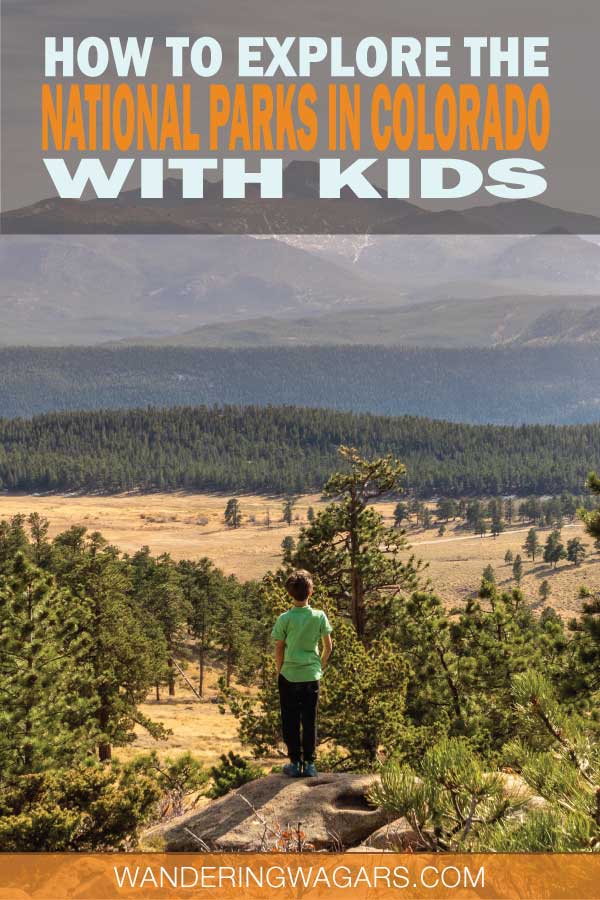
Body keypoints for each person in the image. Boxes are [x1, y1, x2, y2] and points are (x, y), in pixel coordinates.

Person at [271, 570, 333, 777]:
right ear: (311, 592)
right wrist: (319, 665)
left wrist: (279, 670)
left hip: (289, 674)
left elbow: (279, 648)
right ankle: (310, 764)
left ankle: (295, 763)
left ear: (289, 593)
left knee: (289, 719)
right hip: (311, 675)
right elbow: (328, 647)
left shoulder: (284, 618)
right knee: (309, 719)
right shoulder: (319, 616)